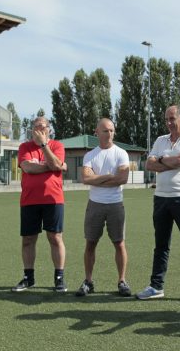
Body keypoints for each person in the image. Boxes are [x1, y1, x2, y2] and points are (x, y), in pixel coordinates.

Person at [135, 105, 180, 305]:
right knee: (161, 245)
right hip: (160, 199)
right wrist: (167, 160)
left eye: (172, 118)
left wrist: (161, 160)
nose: (168, 123)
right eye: (166, 119)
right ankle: (156, 286)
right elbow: (149, 165)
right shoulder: (160, 140)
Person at [75, 118, 132, 297]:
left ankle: (122, 281)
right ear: (96, 132)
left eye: (112, 131)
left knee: (119, 243)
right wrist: (109, 176)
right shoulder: (90, 155)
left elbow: (122, 179)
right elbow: (85, 179)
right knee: (90, 243)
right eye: (106, 131)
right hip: (95, 205)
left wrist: (98, 178)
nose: (110, 134)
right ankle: (88, 281)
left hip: (115, 204)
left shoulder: (121, 153)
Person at [12, 116, 68, 293]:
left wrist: (44, 146)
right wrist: (54, 166)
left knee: (55, 238)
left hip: (53, 199)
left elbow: (55, 163)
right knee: (28, 240)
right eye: (37, 127)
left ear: (49, 129)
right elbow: (28, 168)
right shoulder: (24, 147)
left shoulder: (57, 145)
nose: (40, 130)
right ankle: (29, 278)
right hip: (29, 200)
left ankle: (59, 278)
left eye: (43, 127)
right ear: (32, 130)